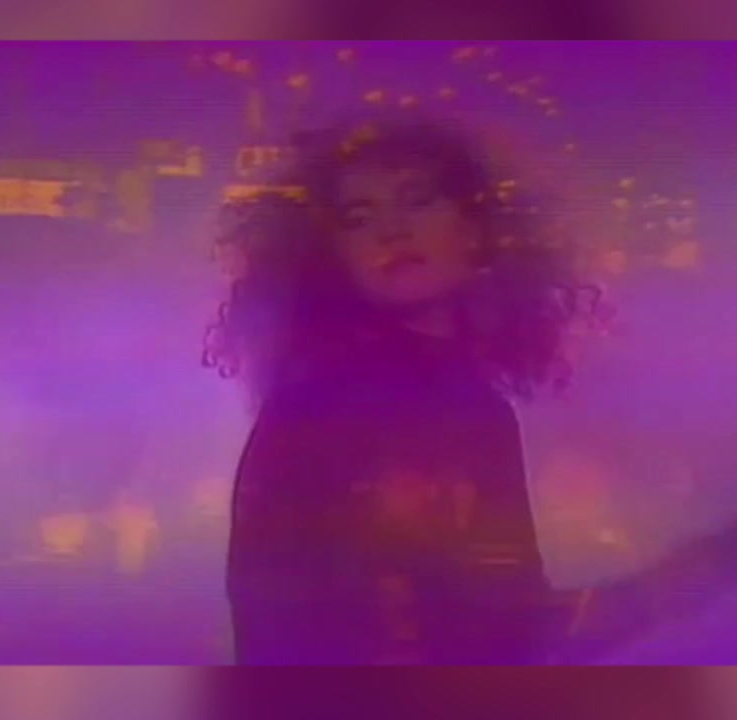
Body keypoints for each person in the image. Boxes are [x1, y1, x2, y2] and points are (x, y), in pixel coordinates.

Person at [204, 112, 596, 664]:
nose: (392, 232)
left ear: (474, 231)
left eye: (417, 202)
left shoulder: (478, 406)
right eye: (359, 218)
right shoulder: (320, 404)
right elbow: (274, 614)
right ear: (335, 257)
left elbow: (513, 619)